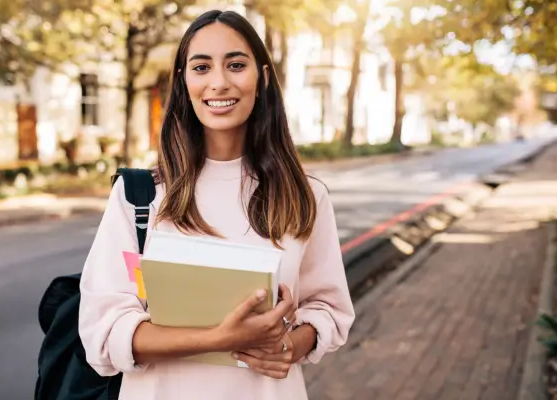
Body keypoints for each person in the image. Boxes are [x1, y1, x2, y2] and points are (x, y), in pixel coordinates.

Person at [79, 9, 355, 400]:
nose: (219, 83)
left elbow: (327, 308)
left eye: (236, 65)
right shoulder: (138, 197)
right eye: (201, 67)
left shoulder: (305, 196)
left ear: (260, 79)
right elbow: (102, 334)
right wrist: (218, 338)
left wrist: (291, 347)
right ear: (184, 81)